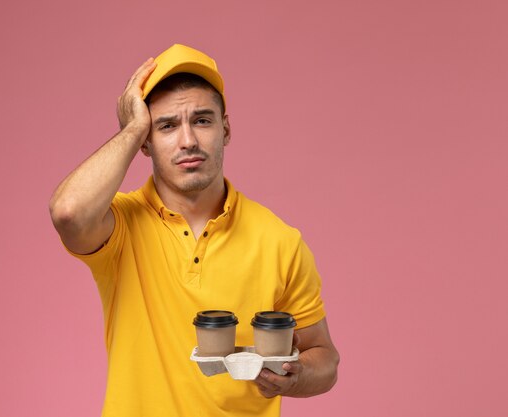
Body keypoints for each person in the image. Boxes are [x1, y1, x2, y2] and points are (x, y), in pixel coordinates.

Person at [49, 44, 339, 417]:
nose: (188, 141)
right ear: (145, 144)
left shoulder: (280, 240)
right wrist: (133, 127)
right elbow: (68, 212)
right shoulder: (120, 225)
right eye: (166, 126)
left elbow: (325, 358)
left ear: (226, 129)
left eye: (202, 120)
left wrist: (295, 376)